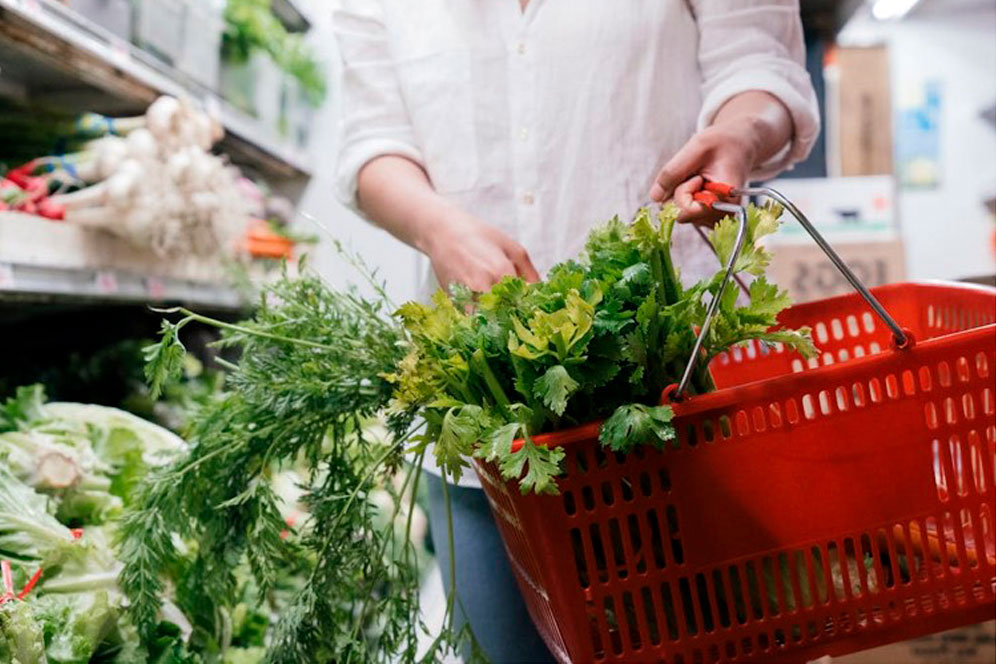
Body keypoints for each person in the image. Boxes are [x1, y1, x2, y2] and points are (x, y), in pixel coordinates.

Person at [333, 1, 819, 661]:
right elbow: (373, 142)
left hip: (678, 400)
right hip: (489, 424)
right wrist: (436, 227)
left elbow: (759, 65)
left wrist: (740, 133)